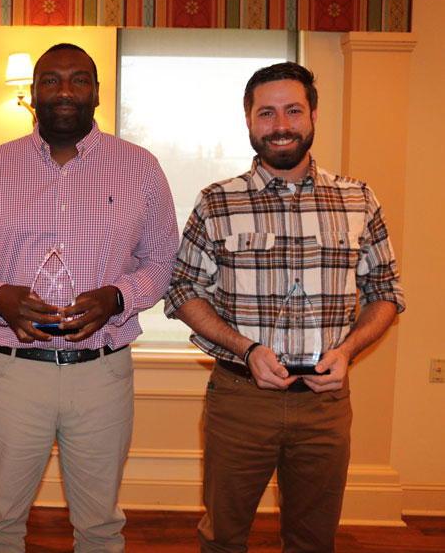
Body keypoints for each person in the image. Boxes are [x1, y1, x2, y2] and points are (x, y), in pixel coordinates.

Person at [164, 62, 405, 552]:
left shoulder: (358, 199)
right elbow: (182, 290)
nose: (280, 125)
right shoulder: (216, 203)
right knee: (223, 537)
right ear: (249, 121)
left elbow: (386, 291)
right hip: (239, 400)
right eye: (266, 112)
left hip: (325, 405)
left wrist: (350, 349)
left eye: (293, 110)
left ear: (313, 114)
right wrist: (246, 348)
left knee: (313, 540)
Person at [0, 43, 179, 552]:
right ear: (33, 93)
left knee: (100, 525)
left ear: (97, 91)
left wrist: (118, 298)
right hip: (15, 371)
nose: (65, 91)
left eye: (78, 79)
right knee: (1, 518)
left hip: (102, 372)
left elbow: (163, 261)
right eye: (51, 80)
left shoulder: (140, 167)